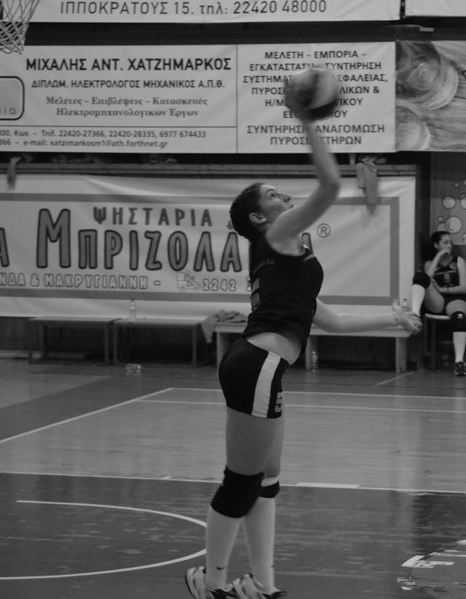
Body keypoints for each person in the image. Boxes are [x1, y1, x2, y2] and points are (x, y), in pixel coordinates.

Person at [185, 78, 421, 599]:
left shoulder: (284, 254)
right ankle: (211, 583)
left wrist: (391, 319)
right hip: (256, 364)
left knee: (265, 481)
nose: (284, 196)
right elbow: (330, 186)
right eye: (273, 195)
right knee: (242, 481)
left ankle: (261, 583)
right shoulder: (276, 235)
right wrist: (307, 121)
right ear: (259, 217)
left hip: (261, 366)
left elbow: (325, 319)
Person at [410, 231, 466, 376]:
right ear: (436, 245)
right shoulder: (429, 263)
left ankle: (459, 362)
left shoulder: (458, 261)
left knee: (459, 317)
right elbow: (425, 280)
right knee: (420, 277)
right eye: (445, 243)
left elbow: (464, 287)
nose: (449, 246)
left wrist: (443, 289)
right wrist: (438, 257)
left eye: (451, 243)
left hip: (456, 299)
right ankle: (414, 314)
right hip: (437, 300)